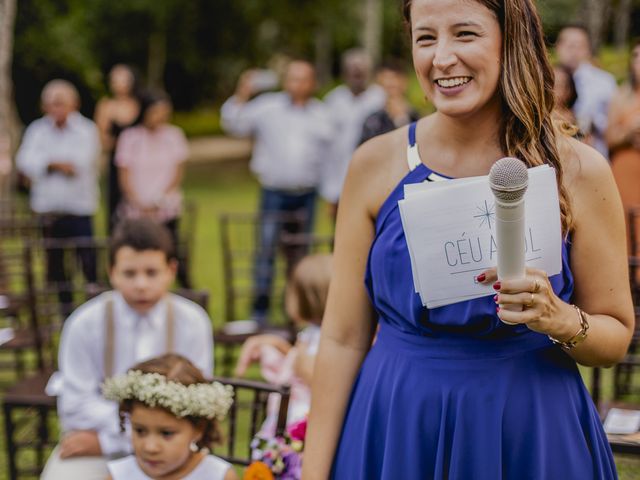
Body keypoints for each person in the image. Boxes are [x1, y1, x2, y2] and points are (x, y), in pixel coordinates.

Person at [303, 0, 634, 479]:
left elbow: (616, 335)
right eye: (425, 38)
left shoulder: (579, 171)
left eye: (464, 34)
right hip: (397, 422)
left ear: (510, 41)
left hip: (529, 426)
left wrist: (558, 318)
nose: (441, 58)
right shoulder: (374, 164)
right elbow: (341, 338)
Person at [41, 218, 214, 480]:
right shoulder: (84, 323)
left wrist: (109, 440)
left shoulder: (192, 321)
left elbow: (196, 402)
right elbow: (76, 407)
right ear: (112, 271)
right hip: (95, 447)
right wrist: (121, 440)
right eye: (130, 273)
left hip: (172, 445)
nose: (141, 284)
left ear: (171, 270)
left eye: (151, 272)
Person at [221, 60, 333, 326]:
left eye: (303, 79)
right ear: (286, 81)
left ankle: (296, 312)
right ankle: (259, 313)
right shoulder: (267, 107)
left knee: (300, 254)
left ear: (312, 82)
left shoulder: (321, 114)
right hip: (274, 192)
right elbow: (233, 124)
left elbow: (328, 158)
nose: (297, 84)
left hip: (306, 194)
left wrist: (330, 193)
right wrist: (243, 92)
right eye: (293, 78)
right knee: (266, 252)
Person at [16, 79, 100, 316]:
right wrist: (54, 164)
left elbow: (79, 164)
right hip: (48, 210)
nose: (56, 109)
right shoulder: (37, 130)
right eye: (51, 104)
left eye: (60, 103)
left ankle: (93, 309)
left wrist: (46, 163)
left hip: (79, 208)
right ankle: (66, 312)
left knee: (88, 262)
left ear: (74, 104)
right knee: (56, 267)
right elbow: (25, 163)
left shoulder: (86, 130)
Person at [234, 254, 332, 435]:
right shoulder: (312, 333)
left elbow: (313, 375)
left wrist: (298, 355)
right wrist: (279, 346)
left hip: (304, 420)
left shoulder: (326, 338)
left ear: (307, 299)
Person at [103, 353, 237, 480]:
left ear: (198, 429)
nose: (150, 447)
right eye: (140, 431)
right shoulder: (119, 476)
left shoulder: (217, 476)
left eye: (166, 433)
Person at [115, 91, 191, 287]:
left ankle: (183, 287)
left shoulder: (174, 135)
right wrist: (138, 202)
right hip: (137, 207)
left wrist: (160, 199)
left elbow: (177, 172)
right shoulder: (130, 137)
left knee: (171, 249)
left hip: (165, 206)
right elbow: (124, 174)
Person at [321, 49, 386, 209]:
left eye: (361, 70)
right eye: (352, 69)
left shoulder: (381, 97)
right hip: (339, 178)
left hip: (374, 176)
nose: (357, 73)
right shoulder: (333, 100)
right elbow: (327, 147)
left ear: (368, 72)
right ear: (345, 73)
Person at [555, 25, 617, 159]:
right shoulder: (544, 79)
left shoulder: (605, 82)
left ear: (588, 50)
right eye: (569, 45)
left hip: (596, 157)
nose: (574, 51)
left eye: (579, 46)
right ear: (557, 47)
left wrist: (592, 122)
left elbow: (614, 123)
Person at [94, 64, 141, 233]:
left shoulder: (139, 104)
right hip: (117, 163)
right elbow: (102, 139)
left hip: (139, 164)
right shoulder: (106, 106)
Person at [607, 39, 640, 260]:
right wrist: (630, 131)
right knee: (628, 223)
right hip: (626, 169)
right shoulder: (620, 95)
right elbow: (608, 139)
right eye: (636, 56)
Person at [359, 60, 421, 144]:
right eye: (386, 78)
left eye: (395, 78)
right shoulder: (373, 121)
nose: (390, 83)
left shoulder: (417, 118)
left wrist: (401, 119)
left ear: (404, 82)